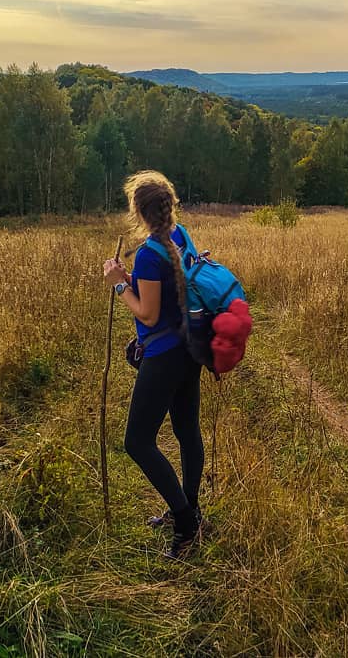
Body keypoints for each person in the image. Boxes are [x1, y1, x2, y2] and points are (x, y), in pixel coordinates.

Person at [103, 170, 204, 559]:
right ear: (170, 205)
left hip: (163, 357)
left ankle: (185, 524)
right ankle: (191, 507)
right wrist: (131, 278)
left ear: (138, 211)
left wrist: (117, 282)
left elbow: (146, 313)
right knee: (185, 429)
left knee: (137, 442)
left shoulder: (148, 252)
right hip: (189, 348)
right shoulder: (180, 237)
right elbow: (167, 286)